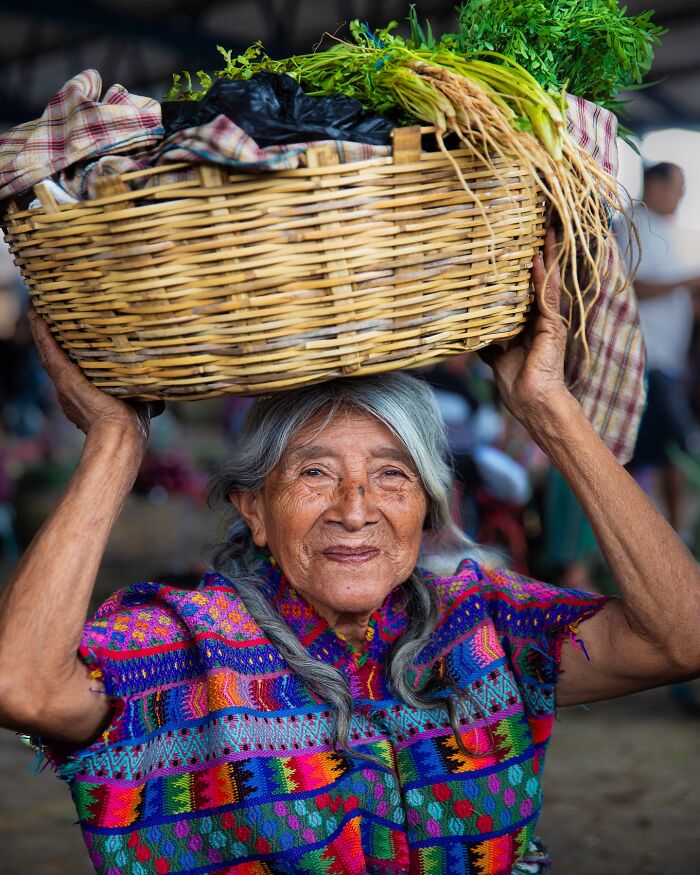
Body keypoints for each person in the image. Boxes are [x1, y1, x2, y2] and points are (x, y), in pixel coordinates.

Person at [1, 230, 699, 875]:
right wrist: (116, 442)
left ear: (426, 505)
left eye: (393, 474)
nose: (356, 508)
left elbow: (681, 638)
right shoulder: (185, 641)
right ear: (254, 509)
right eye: (314, 473)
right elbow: (20, 684)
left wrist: (547, 405)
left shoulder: (485, 624)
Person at [621, 163, 700, 533]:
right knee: (661, 453)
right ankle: (645, 537)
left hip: (665, 362)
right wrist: (685, 282)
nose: (681, 196)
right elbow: (627, 288)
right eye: (677, 187)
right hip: (641, 360)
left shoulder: (672, 233)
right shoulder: (630, 224)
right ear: (654, 182)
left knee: (658, 454)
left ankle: (666, 534)